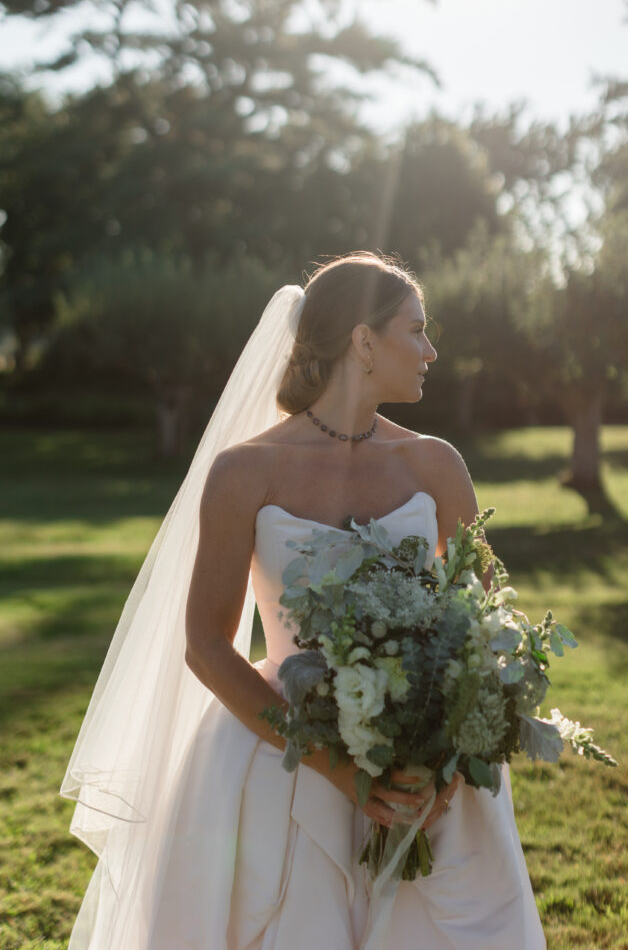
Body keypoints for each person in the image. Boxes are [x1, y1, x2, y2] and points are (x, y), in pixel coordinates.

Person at [62, 251, 546, 949]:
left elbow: (485, 628)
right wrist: (335, 767)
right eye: (415, 329)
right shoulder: (243, 472)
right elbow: (205, 644)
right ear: (362, 341)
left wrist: (440, 772)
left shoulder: (435, 465)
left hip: (428, 777)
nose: (430, 349)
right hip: (283, 758)